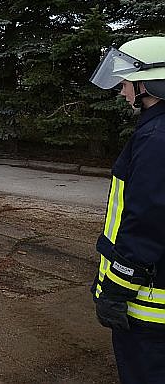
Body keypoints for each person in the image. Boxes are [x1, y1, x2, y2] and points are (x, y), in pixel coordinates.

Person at [89, 36, 165, 383]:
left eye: (126, 80)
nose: (122, 90)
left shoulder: (156, 139)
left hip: (148, 304)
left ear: (149, 82)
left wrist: (117, 289)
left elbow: (146, 222)